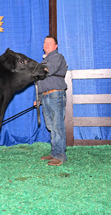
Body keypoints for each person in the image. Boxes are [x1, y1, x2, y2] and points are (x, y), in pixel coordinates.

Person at [35, 35, 68, 166]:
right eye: (45, 42)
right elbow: (39, 83)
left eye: (50, 42)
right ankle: (54, 153)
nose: (47, 44)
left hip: (56, 95)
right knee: (51, 126)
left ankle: (60, 156)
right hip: (46, 96)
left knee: (57, 126)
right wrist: (38, 99)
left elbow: (49, 70)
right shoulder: (42, 62)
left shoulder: (57, 57)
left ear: (56, 46)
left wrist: (35, 70)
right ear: (43, 46)